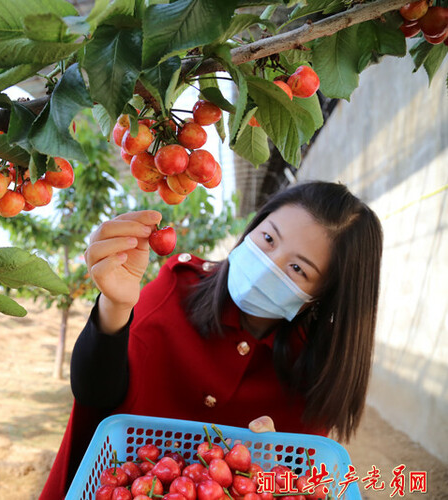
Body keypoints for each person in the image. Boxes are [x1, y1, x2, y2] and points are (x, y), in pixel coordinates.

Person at [39, 181, 383, 499]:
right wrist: (113, 306)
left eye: (298, 269)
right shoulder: (176, 289)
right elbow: (96, 396)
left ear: (321, 296)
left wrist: (271, 469)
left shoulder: (312, 370)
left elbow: (299, 480)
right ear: (252, 229)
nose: (268, 265)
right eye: (268, 239)